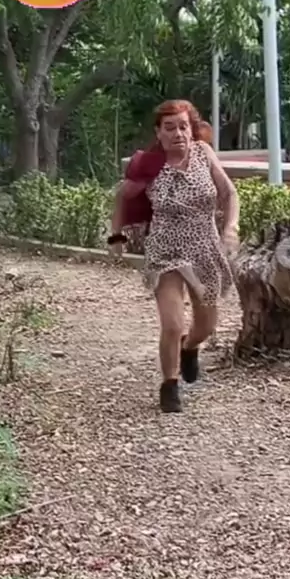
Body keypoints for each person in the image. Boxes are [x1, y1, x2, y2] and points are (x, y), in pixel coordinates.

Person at [109, 100, 240, 414]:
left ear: (191, 129)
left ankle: (189, 347)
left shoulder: (203, 153)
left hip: (204, 249)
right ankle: (169, 384)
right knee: (172, 323)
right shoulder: (149, 165)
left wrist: (231, 228)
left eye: (183, 126)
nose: (178, 133)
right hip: (165, 251)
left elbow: (229, 193)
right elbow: (122, 197)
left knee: (207, 325)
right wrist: (116, 235)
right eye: (170, 128)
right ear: (159, 132)